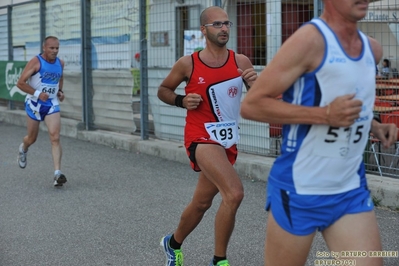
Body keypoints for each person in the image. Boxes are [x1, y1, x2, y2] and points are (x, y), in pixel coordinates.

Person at [240, 1, 397, 266]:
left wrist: (375, 126)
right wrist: (324, 116)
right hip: (300, 189)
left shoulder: (372, 49)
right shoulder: (309, 41)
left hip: (349, 189)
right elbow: (252, 105)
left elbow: (349, 101)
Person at [157, 6, 257, 266]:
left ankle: (172, 243)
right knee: (234, 193)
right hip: (200, 137)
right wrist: (181, 100)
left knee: (201, 203)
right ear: (204, 30)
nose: (224, 28)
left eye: (226, 24)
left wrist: (256, 84)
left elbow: (259, 101)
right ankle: (219, 260)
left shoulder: (241, 61)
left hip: (227, 141)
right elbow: (164, 90)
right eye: (217, 24)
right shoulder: (188, 63)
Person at [17, 36, 67, 187]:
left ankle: (57, 174)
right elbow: (20, 83)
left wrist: (60, 92)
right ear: (44, 48)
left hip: (51, 104)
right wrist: (38, 94)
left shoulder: (60, 63)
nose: (55, 51)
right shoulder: (36, 62)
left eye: (57, 48)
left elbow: (60, 78)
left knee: (55, 137)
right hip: (34, 103)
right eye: (52, 48)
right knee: (32, 138)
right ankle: (23, 148)